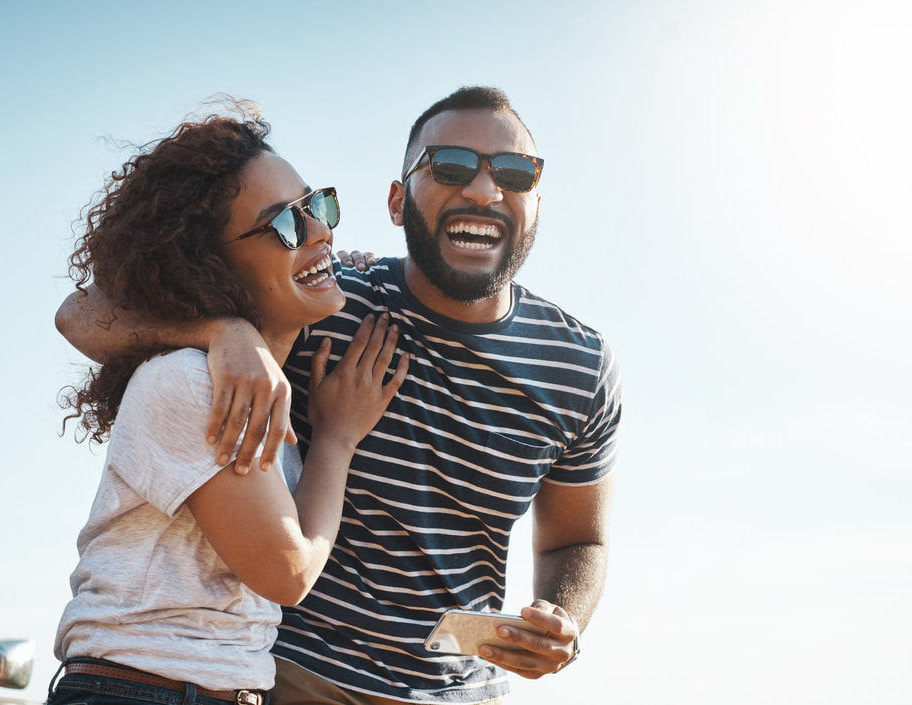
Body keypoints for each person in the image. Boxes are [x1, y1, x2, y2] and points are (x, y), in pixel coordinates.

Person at [55, 86, 621, 704]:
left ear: (537, 198)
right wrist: (224, 331)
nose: (484, 190)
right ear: (397, 200)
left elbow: (578, 540)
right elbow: (83, 313)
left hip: (459, 691)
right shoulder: (315, 297)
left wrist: (563, 621)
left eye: (513, 172)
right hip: (286, 680)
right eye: (451, 167)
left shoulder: (581, 367)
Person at [48, 104, 409, 705]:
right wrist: (339, 440)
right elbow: (287, 573)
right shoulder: (190, 383)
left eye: (317, 206)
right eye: (286, 226)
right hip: (145, 690)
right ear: (211, 263)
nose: (320, 232)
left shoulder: (251, 381)